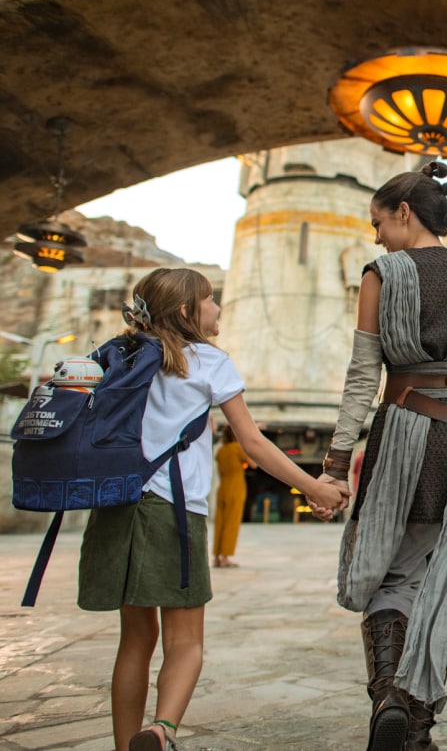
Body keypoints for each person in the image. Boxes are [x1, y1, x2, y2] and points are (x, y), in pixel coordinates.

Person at [77, 268, 348, 751]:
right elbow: (254, 444)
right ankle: (161, 731)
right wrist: (315, 488)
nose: (218, 308)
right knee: (185, 642)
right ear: (187, 311)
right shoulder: (206, 362)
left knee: (134, 641)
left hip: (116, 505)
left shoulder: (121, 356)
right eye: (210, 300)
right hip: (172, 511)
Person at [308, 161, 447, 751]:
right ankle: (418, 720)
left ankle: (390, 699)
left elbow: (361, 378)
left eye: (378, 221)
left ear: (404, 213)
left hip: (405, 432)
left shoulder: (382, 273)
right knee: (444, 579)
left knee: (390, 573)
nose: (375, 235)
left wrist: (333, 462)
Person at [213, 424, 256, 568]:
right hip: (236, 487)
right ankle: (225, 557)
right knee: (232, 522)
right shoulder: (237, 448)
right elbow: (253, 464)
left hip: (222, 487)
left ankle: (217, 557)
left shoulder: (221, 451)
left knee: (220, 522)